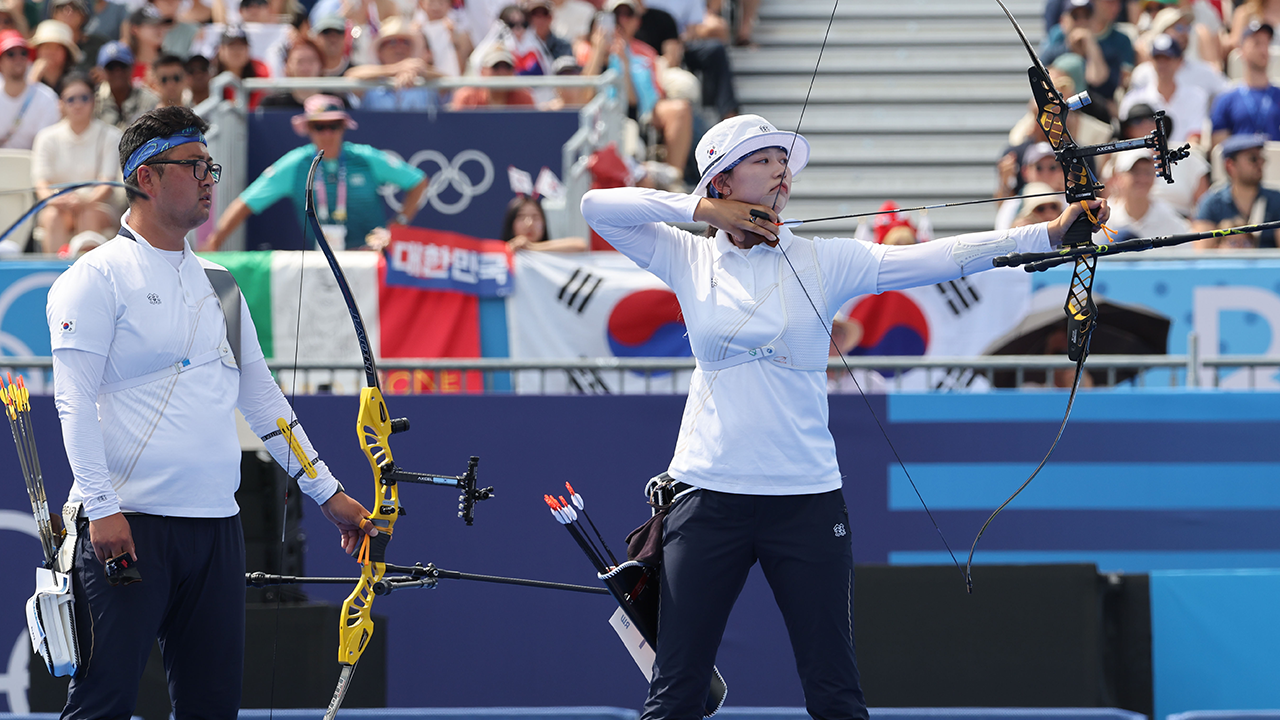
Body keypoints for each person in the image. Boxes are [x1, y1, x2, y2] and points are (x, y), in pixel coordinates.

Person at [579, 114, 1107, 720]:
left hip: (806, 500)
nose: (780, 169)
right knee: (676, 692)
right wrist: (702, 212)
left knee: (835, 693)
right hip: (708, 494)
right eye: (761, 159)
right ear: (720, 181)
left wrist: (1046, 235)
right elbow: (598, 206)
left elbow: (940, 258)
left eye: (783, 160)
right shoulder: (685, 256)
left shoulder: (824, 259)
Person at [43, 102, 377, 720]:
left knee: (212, 709)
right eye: (193, 165)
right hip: (129, 526)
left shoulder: (220, 281)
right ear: (144, 177)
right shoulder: (93, 278)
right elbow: (73, 402)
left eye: (211, 165)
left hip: (216, 530)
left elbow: (263, 400)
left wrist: (327, 492)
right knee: (102, 705)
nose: (209, 178)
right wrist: (103, 508)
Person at [206, 94, 429, 250]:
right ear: (308, 129)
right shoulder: (295, 164)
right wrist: (214, 243)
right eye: (319, 127)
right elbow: (245, 203)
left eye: (334, 126)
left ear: (344, 127)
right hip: (323, 261)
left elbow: (418, 181)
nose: (327, 133)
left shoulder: (365, 158)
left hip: (370, 257)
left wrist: (397, 226)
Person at [32, 72, 124, 254]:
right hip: (58, 206)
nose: (78, 104)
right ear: (61, 104)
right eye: (71, 99)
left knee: (88, 214)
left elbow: (106, 184)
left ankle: (89, 278)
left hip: (98, 206)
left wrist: (84, 201)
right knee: (52, 217)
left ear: (93, 101)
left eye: (84, 98)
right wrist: (56, 200)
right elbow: (41, 184)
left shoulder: (111, 136)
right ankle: (53, 276)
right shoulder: (46, 137)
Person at [1041, 0, 1134, 122]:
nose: (1081, 22)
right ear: (1064, 21)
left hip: (1096, 118)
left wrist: (1090, 45)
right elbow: (1043, 85)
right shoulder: (1054, 51)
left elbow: (1097, 80)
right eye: (1075, 17)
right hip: (1060, 115)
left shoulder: (1108, 53)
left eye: (1086, 16)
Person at [1118, 33, 1209, 147]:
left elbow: (1194, 138)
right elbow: (1125, 139)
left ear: (1179, 61)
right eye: (1157, 58)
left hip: (1182, 158)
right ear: (1151, 61)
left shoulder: (1196, 96)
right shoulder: (1132, 99)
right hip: (1143, 159)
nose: (1162, 64)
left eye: (1167, 58)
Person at [1194, 132, 1280, 247]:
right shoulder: (1211, 203)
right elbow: (1202, 253)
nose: (1261, 163)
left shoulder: (1277, 201)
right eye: (1253, 158)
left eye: (1262, 158)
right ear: (1230, 165)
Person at [346, 15, 442, 111]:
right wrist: (396, 69)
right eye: (392, 42)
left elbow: (446, 82)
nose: (400, 47)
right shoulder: (370, 83)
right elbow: (350, 76)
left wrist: (419, 69)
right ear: (380, 52)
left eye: (405, 42)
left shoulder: (423, 81)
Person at [1209, 20, 1280, 146]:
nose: (1263, 49)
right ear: (1241, 50)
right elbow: (1219, 150)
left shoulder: (1277, 95)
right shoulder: (1226, 100)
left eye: (1266, 43)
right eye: (1256, 43)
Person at [1096, 148, 1192, 240]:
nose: (1143, 179)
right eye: (1135, 172)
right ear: (1117, 176)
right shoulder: (1102, 218)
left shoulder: (1169, 219)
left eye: (1148, 172)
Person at [0, 31, 62, 151]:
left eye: (23, 53)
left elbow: (49, 147)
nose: (18, 58)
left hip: (33, 166)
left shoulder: (47, 98)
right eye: (10, 54)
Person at [94, 41, 160, 130]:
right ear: (101, 71)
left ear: (132, 67)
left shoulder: (150, 101)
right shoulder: (94, 102)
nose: (117, 72)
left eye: (122, 66)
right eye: (111, 67)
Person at [450, 45, 536, 108]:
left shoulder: (524, 99)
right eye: (496, 66)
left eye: (507, 67)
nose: (502, 72)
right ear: (483, 71)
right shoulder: (467, 98)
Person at [502, 195, 588, 251]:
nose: (529, 223)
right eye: (521, 216)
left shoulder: (552, 252)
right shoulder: (498, 254)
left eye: (535, 217)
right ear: (511, 223)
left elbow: (581, 246)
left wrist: (531, 247)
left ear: (544, 223)